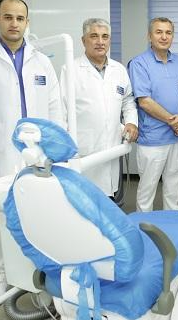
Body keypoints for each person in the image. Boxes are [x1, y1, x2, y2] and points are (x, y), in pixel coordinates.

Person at [0, 0, 63, 302]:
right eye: (8, 17)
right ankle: (0, 276)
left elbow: (55, 108)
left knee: (39, 215)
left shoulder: (42, 62)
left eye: (20, 18)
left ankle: (37, 273)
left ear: (27, 22)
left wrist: (56, 147)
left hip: (38, 154)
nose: (14, 23)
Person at [59, 18, 138, 197]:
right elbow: (61, 110)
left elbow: (128, 101)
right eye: (94, 36)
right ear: (83, 40)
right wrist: (63, 148)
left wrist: (131, 123)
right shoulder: (70, 69)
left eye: (105, 36)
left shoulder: (119, 69)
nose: (100, 41)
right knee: (83, 200)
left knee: (108, 198)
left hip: (111, 148)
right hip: (83, 149)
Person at [128, 17, 178, 212]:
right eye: (159, 32)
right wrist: (173, 121)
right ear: (149, 36)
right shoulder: (140, 63)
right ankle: (142, 227)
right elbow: (144, 101)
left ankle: (171, 226)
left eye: (168, 32)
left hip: (177, 136)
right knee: (147, 191)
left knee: (174, 189)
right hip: (153, 139)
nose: (164, 37)